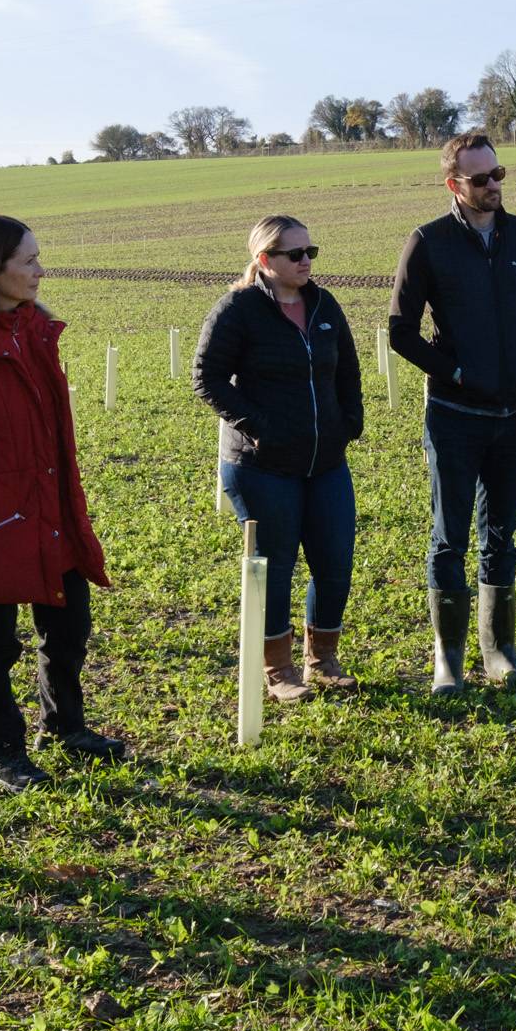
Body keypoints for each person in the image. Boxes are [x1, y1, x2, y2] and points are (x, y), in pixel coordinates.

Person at [0, 212, 121, 788]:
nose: (40, 271)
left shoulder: (34, 330)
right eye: (28, 261)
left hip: (51, 507)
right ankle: (3, 754)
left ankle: (65, 725)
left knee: (68, 629)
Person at [388, 132, 516, 693]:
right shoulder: (428, 242)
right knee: (449, 538)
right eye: (481, 178)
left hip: (515, 417)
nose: (494, 186)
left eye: (499, 174)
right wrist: (454, 371)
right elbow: (400, 331)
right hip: (455, 416)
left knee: (503, 536)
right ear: (453, 185)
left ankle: (499, 649)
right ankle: (448, 658)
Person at [193, 215, 365, 699]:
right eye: (295, 254)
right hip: (261, 467)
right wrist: (260, 429)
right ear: (265, 260)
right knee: (275, 565)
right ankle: (278, 670)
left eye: (311, 251)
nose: (307, 260)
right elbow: (206, 378)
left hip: (325, 461)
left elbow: (347, 369)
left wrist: (349, 421)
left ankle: (323, 660)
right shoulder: (238, 310)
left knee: (334, 561)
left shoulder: (323, 304)